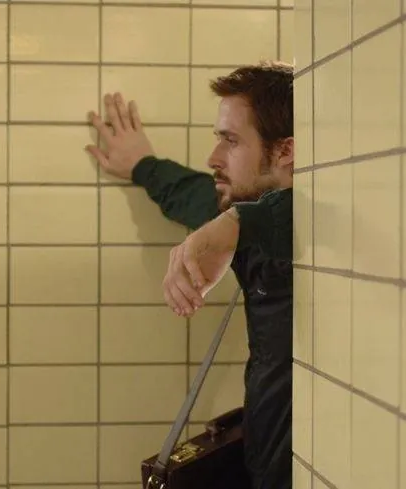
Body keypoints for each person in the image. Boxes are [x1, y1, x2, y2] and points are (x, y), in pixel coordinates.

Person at [85, 61, 294, 489]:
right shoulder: (243, 211)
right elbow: (195, 196)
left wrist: (237, 222)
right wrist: (144, 165)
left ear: (284, 152)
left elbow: (309, 213)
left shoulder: (317, 234)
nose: (213, 157)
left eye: (230, 141)